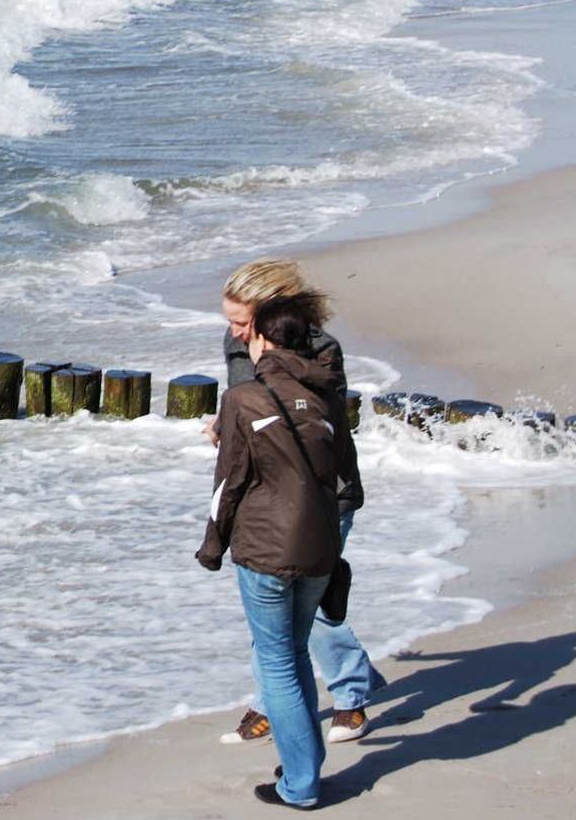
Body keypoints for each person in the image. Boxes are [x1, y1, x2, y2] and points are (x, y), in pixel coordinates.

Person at [198, 289, 362, 809]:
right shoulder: (328, 392)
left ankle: (302, 784)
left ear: (264, 339)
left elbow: (230, 482)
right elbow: (344, 471)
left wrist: (212, 546)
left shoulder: (244, 399)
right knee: (293, 654)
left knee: (277, 663)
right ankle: (303, 765)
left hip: (267, 546)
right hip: (320, 542)